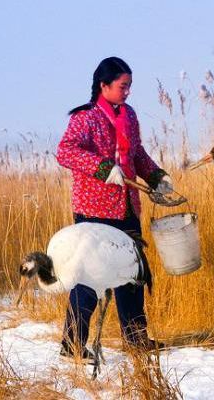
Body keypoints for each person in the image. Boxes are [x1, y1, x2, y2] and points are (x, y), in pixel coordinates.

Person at [56, 56, 172, 359]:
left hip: (127, 208)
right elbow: (65, 151)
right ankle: (72, 344)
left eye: (130, 86)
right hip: (94, 212)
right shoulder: (85, 118)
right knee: (89, 277)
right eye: (123, 86)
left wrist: (156, 175)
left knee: (132, 274)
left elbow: (136, 153)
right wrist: (102, 167)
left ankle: (136, 340)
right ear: (103, 85)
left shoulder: (129, 116)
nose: (128, 91)